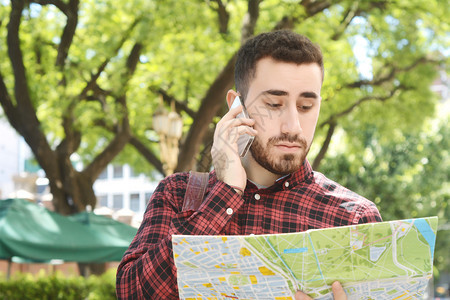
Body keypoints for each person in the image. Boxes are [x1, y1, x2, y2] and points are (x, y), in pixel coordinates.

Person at [116, 30, 382, 300]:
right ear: (236, 106)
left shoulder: (354, 219)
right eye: (274, 104)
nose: (293, 126)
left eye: (305, 106)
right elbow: (132, 293)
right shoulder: (178, 194)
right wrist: (226, 193)